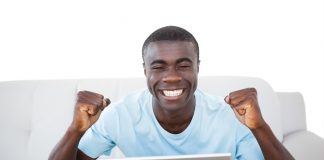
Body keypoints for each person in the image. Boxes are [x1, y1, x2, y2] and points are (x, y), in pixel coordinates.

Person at [49, 26, 294, 160]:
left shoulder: (232, 117)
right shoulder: (120, 114)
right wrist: (75, 131)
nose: (172, 76)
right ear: (145, 71)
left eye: (184, 65)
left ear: (198, 67)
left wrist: (259, 126)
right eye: (158, 66)